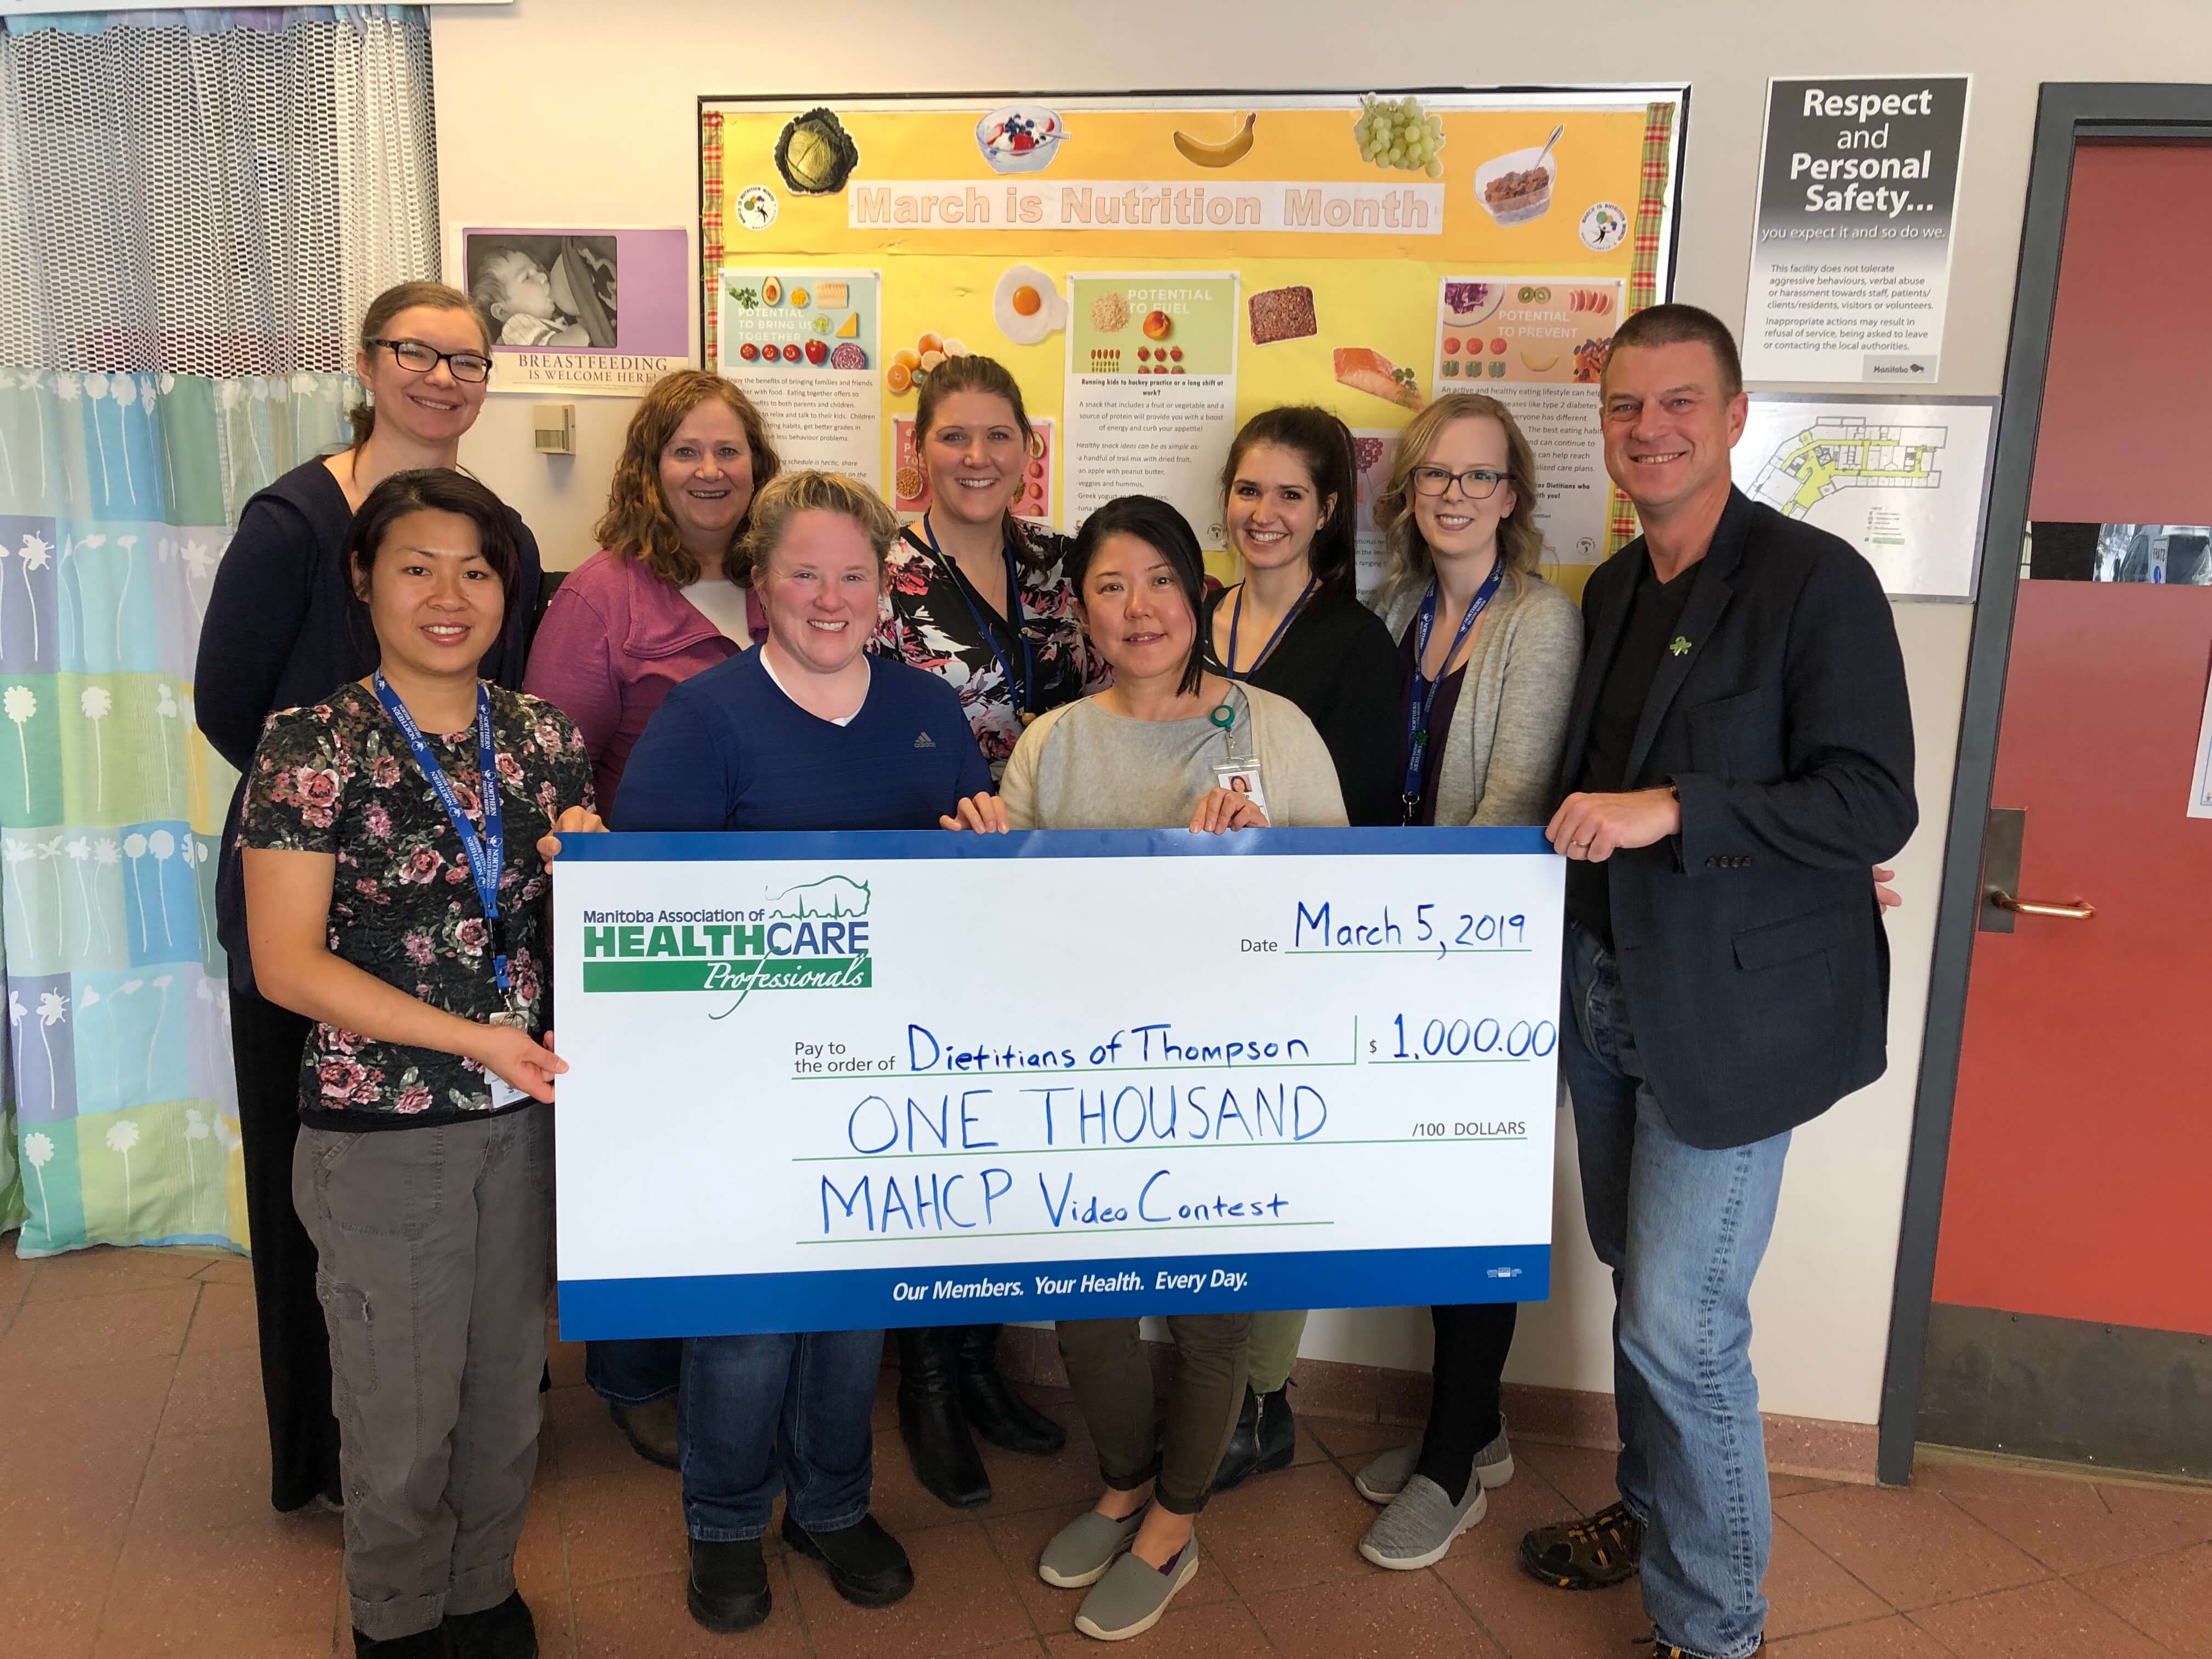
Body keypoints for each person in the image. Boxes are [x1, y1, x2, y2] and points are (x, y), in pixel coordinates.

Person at [1520, 304, 1915, 1659]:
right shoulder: (1613, 591)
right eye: (1626, 407)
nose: (1651, 430)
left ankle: (1715, 1631)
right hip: (1606, 997)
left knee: (1682, 1331)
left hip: (1733, 1021)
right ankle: (1649, 1514)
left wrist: (1681, 810)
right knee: (1643, 1293)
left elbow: (1873, 802)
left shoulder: (1816, 580)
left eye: (1680, 402)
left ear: (1736, 417)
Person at [612, 470, 997, 1636]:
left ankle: (831, 1506)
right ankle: (726, 1521)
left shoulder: (929, 711)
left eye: (853, 575)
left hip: (883, 1083)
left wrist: (992, 859)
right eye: (804, 574)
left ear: (884, 586)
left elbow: (969, 907)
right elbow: (644, 929)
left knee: (848, 1316)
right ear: (760, 582)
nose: (830, 598)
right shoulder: (701, 720)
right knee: (744, 1325)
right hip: (740, 1091)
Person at [194, 280, 541, 1516]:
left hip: (468, 935)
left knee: (478, 1220)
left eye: (468, 360)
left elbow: (502, 708)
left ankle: (471, 1447)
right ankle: (335, 1462)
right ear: (366, 360)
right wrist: (349, 819)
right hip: (313, 919)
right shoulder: (293, 520)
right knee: (321, 1213)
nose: (443, 378)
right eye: (417, 352)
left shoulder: (503, 529)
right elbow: (231, 708)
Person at [238, 469, 596, 1658]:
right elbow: (287, 964)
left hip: (526, 1118)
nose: (450, 595)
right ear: (363, 580)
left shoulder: (544, 739)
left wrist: (595, 872)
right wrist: (471, 1038)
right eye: (417, 567)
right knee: (399, 1411)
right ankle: (394, 1620)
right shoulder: (311, 743)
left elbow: (554, 932)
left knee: (504, 1395)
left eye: (477, 570)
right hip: (385, 1131)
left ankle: (482, 1588)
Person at [989, 495, 1348, 1643]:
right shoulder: (1052, 741)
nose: (1137, 607)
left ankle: (1174, 1521)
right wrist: (980, 864)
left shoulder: (1273, 728)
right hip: (1081, 1082)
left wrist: (1259, 860)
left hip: (1225, 1083)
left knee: (1208, 1315)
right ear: (1082, 607)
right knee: (1086, 1311)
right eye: (1109, 585)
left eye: (1159, 580)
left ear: (1197, 593)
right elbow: (1004, 928)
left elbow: (1341, 909)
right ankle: (1121, 1482)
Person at [1345, 391, 1585, 1571]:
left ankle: (1450, 1467)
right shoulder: (1390, 610)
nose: (1454, 493)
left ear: (1512, 496)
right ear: (1407, 491)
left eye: (1479, 475)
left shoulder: (1539, 620)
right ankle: (1476, 1423)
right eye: (1435, 473)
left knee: (1472, 1209)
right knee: (1422, 1198)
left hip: (1481, 961)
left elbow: (1513, 803)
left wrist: (1420, 935)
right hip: (1393, 954)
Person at [523, 370, 779, 1469]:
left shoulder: (783, 577)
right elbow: (550, 764)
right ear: (649, 468)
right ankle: (633, 1374)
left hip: (770, 932)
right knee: (642, 1154)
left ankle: (735, 1347)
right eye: (687, 451)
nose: (710, 471)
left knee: (733, 1149)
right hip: (646, 932)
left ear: (758, 466)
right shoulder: (602, 597)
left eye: (729, 450)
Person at [871, 351, 1087, 1506]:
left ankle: (985, 1361)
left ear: (1027, 449)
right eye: (953, 435)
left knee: (1011, 1127)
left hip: (1046, 884)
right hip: (929, 883)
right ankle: (928, 1382)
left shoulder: (1061, 564)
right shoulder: (880, 573)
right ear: (919, 448)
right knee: (935, 1130)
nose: (976, 456)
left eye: (999, 435)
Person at [1195, 406, 1403, 1492]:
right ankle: (1210, 1387)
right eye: (1248, 489)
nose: (1262, 513)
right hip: (1191, 948)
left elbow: (1355, 822)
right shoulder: (1192, 617)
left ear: (1327, 510)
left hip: (1293, 953)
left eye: (1288, 494)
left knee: (1273, 1174)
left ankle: (1263, 1400)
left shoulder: (1356, 644)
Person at [470, 247, 590, 348]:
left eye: (538, 271)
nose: (543, 276)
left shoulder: (550, 320)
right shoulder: (515, 328)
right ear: (502, 311)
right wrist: (585, 325)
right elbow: (558, 350)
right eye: (527, 277)